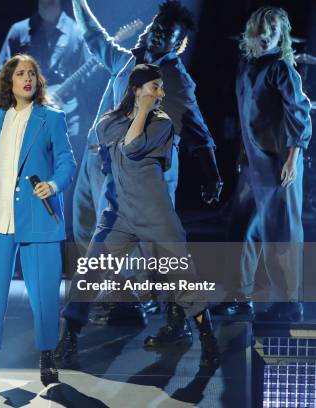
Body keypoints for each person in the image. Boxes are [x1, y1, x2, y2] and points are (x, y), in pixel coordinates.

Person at [67, 0, 223, 325]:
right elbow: (95, 38)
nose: (155, 34)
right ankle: (116, 299)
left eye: (165, 34)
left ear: (178, 46)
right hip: (99, 161)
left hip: (137, 175)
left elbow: (198, 130)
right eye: (156, 27)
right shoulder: (129, 63)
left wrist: (213, 176)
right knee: (85, 228)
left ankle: (157, 310)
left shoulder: (175, 82)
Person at [59, 64, 219, 367]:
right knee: (88, 273)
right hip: (117, 215)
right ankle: (68, 337)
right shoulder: (109, 121)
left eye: (161, 87)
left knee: (183, 278)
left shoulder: (162, 123)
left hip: (155, 215)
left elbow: (132, 147)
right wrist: (137, 113)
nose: (161, 93)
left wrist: (144, 110)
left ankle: (208, 338)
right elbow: (106, 136)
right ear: (135, 90)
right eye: (154, 87)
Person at [0, 54, 76, 385]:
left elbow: (66, 163)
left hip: (39, 220)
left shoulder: (52, 118)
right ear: (9, 81)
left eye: (32, 73)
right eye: (20, 74)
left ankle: (47, 357)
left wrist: (54, 185)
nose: (27, 78)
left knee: (44, 293)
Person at [223, 6, 311, 321]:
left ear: (280, 35)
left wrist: (291, 159)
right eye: (259, 31)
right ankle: (240, 296)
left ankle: (288, 305)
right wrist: (242, 155)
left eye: (270, 32)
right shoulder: (247, 67)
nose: (263, 37)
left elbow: (299, 116)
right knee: (243, 229)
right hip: (254, 164)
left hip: (279, 164)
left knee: (282, 233)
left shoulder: (282, 68)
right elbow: (249, 117)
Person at [0, 0, 107, 240]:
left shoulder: (77, 32)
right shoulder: (19, 31)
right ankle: (24, 243)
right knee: (26, 186)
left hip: (69, 124)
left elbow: (93, 84)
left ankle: (61, 249)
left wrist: (81, 84)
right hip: (27, 124)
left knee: (67, 188)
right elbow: (1, 76)